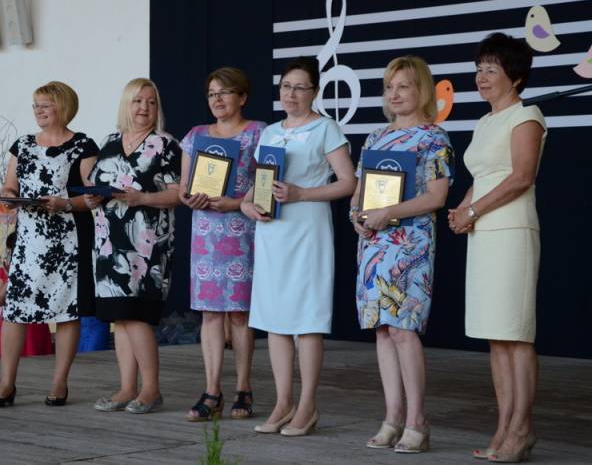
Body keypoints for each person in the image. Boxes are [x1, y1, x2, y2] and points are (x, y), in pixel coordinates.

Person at [241, 56, 356, 436]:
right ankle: (283, 402)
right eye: (286, 87)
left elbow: (348, 182)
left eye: (300, 87)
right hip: (272, 231)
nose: (291, 94)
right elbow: (259, 183)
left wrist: (302, 193)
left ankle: (307, 405)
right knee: (274, 319)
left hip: (307, 228)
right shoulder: (270, 132)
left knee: (307, 319)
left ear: (314, 91)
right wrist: (247, 205)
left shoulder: (326, 128)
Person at [449, 32, 546, 463]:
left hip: (511, 232)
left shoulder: (527, 115)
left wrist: (474, 211)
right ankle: (505, 425)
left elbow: (521, 176)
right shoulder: (485, 121)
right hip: (483, 233)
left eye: (491, 69)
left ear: (516, 76)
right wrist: (463, 209)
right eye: (479, 69)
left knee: (516, 335)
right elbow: (484, 176)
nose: (481, 77)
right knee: (496, 336)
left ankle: (522, 428)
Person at [350, 56, 454, 453]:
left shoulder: (434, 137)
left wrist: (388, 212)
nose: (394, 94)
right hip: (374, 243)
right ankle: (392, 418)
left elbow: (437, 197)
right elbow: (360, 192)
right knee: (382, 329)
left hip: (410, 244)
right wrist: (357, 218)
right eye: (389, 87)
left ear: (422, 90)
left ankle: (417, 422)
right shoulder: (375, 138)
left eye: (404, 86)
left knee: (403, 329)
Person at [0, 81, 98, 408]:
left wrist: (66, 204)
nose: (38, 111)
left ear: (63, 107)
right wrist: (7, 196)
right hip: (29, 239)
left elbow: (94, 197)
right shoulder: (22, 145)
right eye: (35, 105)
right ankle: (6, 384)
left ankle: (59, 383)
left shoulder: (83, 145)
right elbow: (10, 185)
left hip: (68, 239)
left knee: (67, 311)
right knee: (14, 309)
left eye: (45, 105)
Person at [87, 78, 181, 414]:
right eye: (138, 101)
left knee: (137, 316)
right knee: (120, 318)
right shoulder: (109, 142)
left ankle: (151, 389)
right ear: (126, 104)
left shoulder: (166, 144)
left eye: (151, 102)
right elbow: (95, 186)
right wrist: (92, 197)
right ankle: (127, 388)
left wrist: (143, 198)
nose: (144, 107)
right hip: (108, 243)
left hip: (147, 244)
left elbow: (178, 194)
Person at [179, 67, 266, 422]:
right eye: (212, 93)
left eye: (225, 92)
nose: (217, 99)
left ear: (242, 97)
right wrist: (190, 198)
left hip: (242, 231)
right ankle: (212, 391)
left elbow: (266, 182)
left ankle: (244, 388)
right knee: (210, 313)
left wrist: (237, 202)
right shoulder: (195, 135)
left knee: (240, 313)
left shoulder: (258, 132)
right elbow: (183, 189)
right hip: (206, 235)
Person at [0, 231, 54, 359]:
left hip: (34, 325)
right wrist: (11, 278)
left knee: (36, 359)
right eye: (10, 250)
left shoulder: (38, 270)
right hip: (11, 323)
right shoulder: (3, 273)